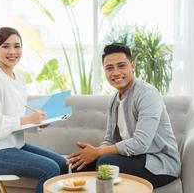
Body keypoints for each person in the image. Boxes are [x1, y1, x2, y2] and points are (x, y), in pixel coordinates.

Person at [67, 43, 181, 188]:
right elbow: (109, 139)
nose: (115, 72)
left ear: (132, 66)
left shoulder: (147, 95)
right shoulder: (114, 101)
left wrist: (98, 152)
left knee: (105, 164)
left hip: (159, 164)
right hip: (134, 158)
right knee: (81, 166)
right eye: (109, 68)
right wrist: (92, 154)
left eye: (121, 66)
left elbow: (140, 144)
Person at [0, 27, 68, 193]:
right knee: (50, 169)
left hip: (14, 145)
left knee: (62, 164)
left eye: (17, 46)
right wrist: (28, 119)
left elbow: (17, 118)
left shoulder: (19, 78)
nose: (12, 51)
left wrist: (39, 122)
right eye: (5, 46)